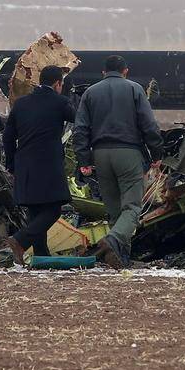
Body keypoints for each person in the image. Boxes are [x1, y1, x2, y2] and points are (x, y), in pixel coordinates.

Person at [72, 55, 163, 267]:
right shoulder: (134, 89)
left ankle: (121, 258)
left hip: (101, 155)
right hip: (128, 153)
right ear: (125, 71)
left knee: (114, 210)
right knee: (131, 208)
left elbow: (80, 129)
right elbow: (149, 125)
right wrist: (157, 153)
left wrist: (84, 159)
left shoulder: (90, 93)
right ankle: (112, 241)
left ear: (103, 73)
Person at [1, 65, 76, 264]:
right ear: (58, 83)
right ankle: (18, 241)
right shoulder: (60, 102)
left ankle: (42, 259)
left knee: (36, 213)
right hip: (48, 166)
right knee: (53, 210)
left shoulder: (21, 104)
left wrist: (11, 164)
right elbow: (77, 118)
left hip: (24, 166)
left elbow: (8, 137)